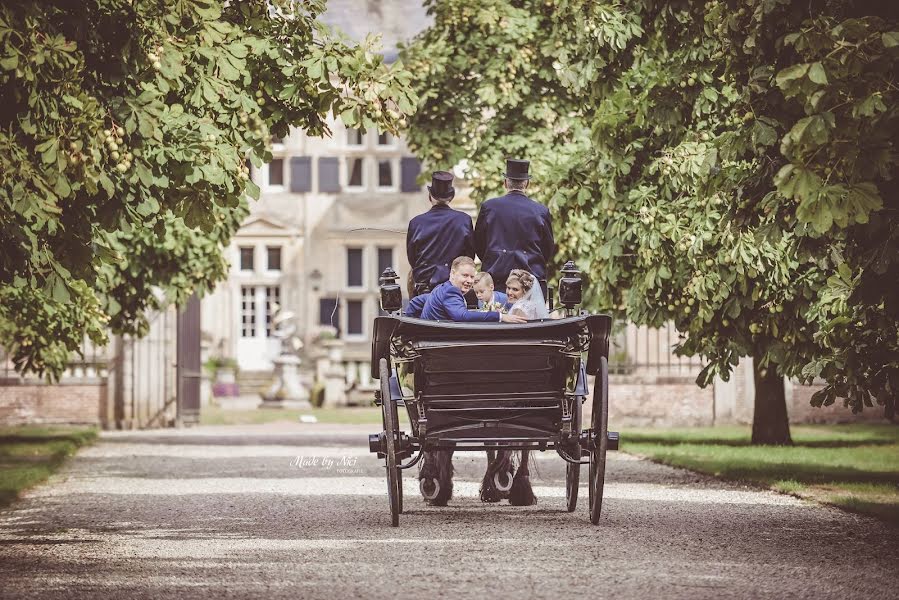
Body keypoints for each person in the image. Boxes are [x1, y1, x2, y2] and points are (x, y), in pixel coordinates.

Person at [474, 158, 555, 298]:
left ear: (505, 182)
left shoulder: (489, 207)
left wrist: (495, 259)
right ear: (527, 183)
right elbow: (547, 249)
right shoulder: (540, 211)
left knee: (494, 318)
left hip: (495, 281)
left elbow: (479, 245)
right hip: (530, 282)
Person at [406, 171, 475, 298]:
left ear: (430, 196)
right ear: (451, 197)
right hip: (454, 289)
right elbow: (469, 257)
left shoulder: (416, 223)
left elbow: (413, 259)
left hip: (425, 291)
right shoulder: (464, 220)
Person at [421, 257, 526, 323]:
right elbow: (462, 316)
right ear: (452, 273)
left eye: (472, 277)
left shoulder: (441, 287)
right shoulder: (451, 291)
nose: (469, 281)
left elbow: (416, 302)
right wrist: (500, 316)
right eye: (465, 275)